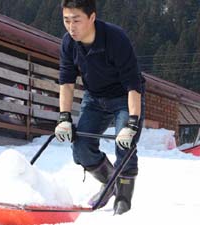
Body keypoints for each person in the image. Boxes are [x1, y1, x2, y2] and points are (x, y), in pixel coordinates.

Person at [55, 0, 145, 215]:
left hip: (125, 95)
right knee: (81, 148)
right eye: (66, 20)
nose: (71, 26)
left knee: (125, 146)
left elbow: (134, 84)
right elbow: (66, 82)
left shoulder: (115, 38)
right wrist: (64, 117)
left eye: (76, 20)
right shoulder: (69, 43)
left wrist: (131, 123)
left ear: (92, 17)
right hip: (94, 97)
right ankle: (110, 182)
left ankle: (123, 201)